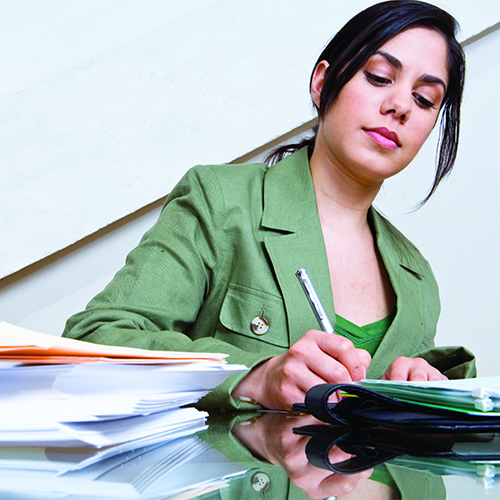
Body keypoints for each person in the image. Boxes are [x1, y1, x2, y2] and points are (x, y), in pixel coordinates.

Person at [63, 0, 476, 411]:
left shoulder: (417, 279)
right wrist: (254, 377)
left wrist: (427, 394)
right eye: (379, 76)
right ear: (322, 83)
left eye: (424, 100)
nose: (401, 106)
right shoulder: (221, 201)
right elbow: (94, 340)